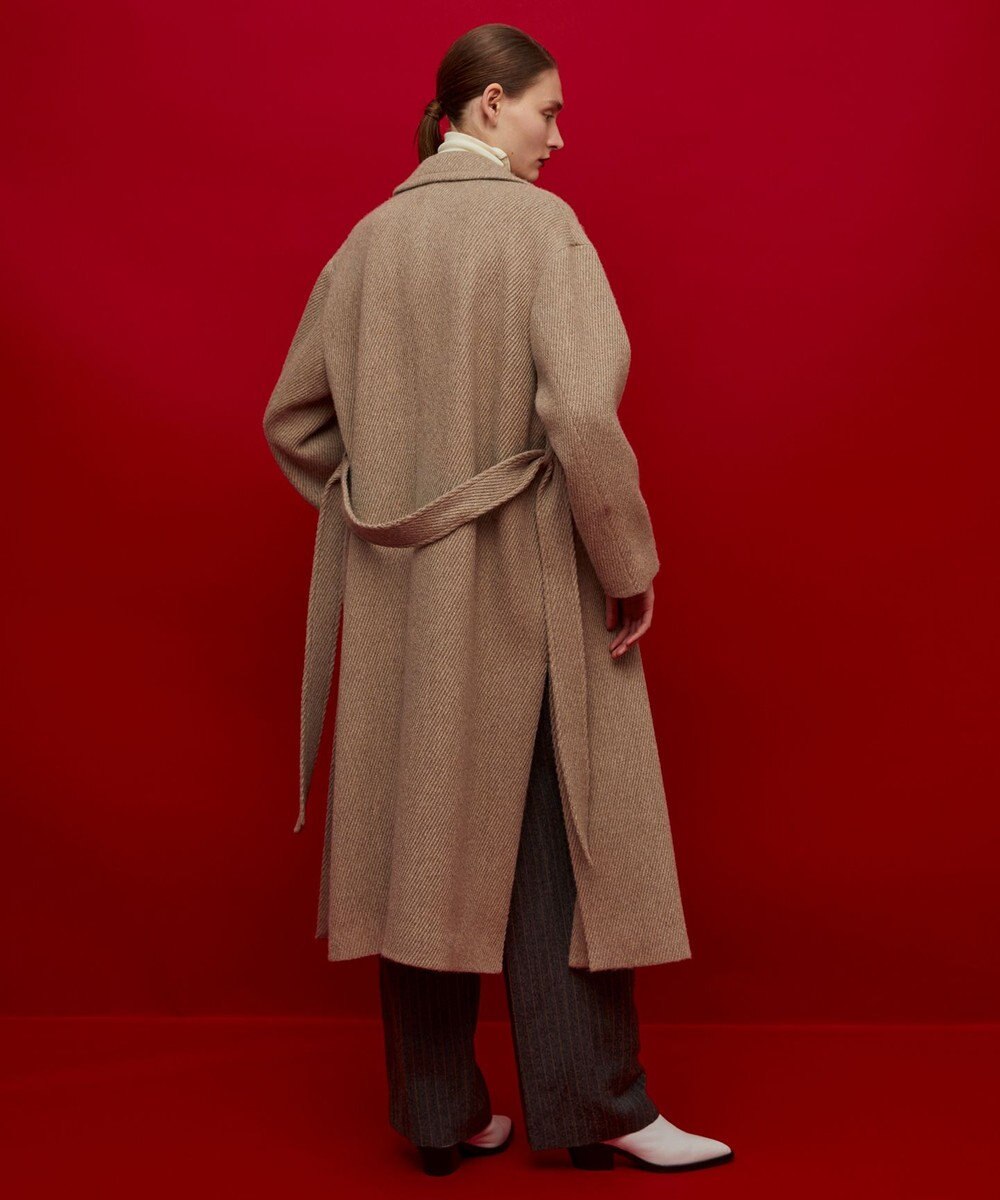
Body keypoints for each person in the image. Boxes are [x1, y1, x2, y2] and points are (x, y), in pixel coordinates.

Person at [262, 21, 733, 1177]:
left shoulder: (368, 241)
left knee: (418, 841)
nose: (558, 138)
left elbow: (294, 423)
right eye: (546, 110)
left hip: (404, 606)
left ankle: (439, 1118)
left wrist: (397, 510)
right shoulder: (539, 228)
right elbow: (579, 416)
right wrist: (626, 565)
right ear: (484, 105)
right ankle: (598, 1108)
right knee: (560, 839)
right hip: (524, 591)